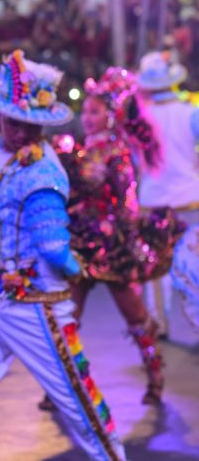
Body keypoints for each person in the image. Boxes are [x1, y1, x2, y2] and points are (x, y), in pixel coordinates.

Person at [0, 51, 127, 461]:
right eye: (12, 120)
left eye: (29, 123)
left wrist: (74, 267)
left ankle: (111, 457)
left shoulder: (43, 171)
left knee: (76, 396)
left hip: (33, 300)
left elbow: (53, 248)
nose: (20, 130)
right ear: (0, 117)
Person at [54, 67, 182, 405]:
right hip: (80, 242)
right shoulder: (79, 149)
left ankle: (155, 376)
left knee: (134, 314)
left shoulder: (117, 152)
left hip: (111, 245)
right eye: (86, 111)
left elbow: (126, 202)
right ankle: (60, 386)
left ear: (112, 115)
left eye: (95, 111)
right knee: (68, 317)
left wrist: (129, 240)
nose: (88, 117)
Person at [135, 50, 199, 338]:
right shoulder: (191, 113)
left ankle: (159, 324)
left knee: (155, 271)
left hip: (154, 201)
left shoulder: (140, 119)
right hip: (190, 199)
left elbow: (138, 164)